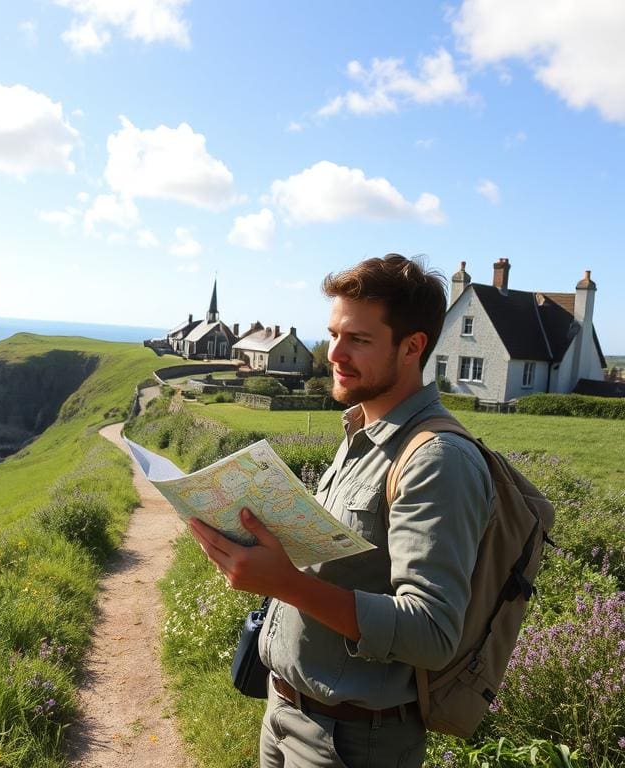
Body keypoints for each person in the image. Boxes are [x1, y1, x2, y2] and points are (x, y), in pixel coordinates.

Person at [189, 254, 495, 768]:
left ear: (412, 347)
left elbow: (433, 631)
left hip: (351, 742)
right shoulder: (361, 430)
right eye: (332, 334)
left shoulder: (437, 460)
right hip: (284, 711)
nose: (334, 353)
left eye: (358, 339)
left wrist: (283, 583)